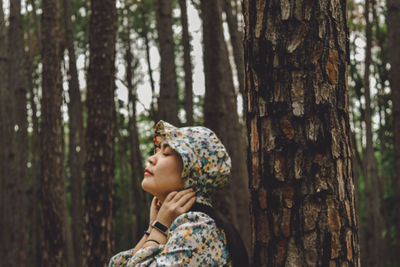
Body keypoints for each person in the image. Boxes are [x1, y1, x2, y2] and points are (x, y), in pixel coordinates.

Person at [109, 120, 249, 266]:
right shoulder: (180, 225)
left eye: (166, 153)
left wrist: (159, 229)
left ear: (191, 173)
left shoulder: (199, 227)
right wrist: (153, 227)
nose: (151, 159)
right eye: (156, 152)